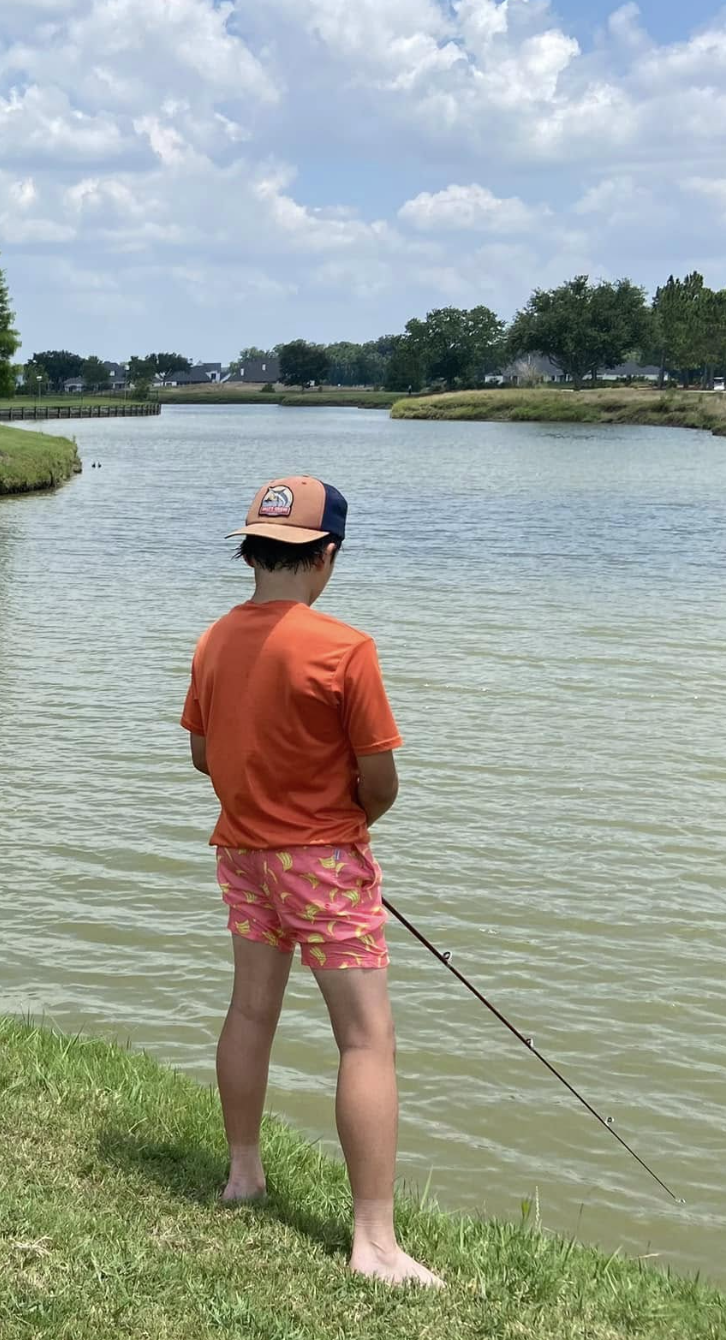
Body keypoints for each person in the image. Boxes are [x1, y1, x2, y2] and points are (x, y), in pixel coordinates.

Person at [180, 476, 441, 1288]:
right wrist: (336, 822)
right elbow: (380, 783)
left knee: (250, 1011)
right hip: (324, 862)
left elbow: (202, 756)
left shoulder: (214, 640)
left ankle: (243, 1175)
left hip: (243, 856)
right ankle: (374, 1242)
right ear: (326, 556)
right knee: (366, 1038)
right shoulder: (345, 649)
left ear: (250, 550)